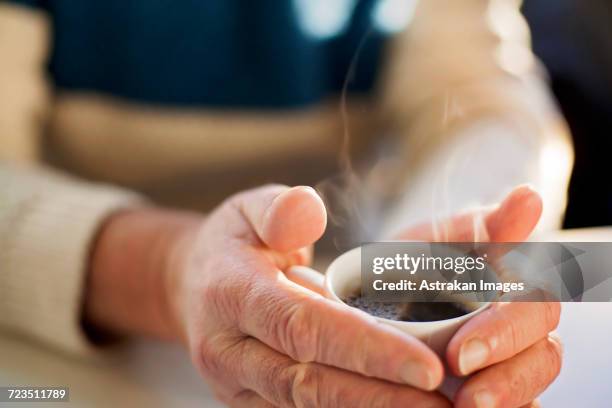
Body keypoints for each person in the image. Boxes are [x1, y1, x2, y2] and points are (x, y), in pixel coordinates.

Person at [0, 1, 569, 407]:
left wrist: (459, 234)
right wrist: (168, 270)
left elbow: (485, 104)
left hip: (336, 312)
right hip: (62, 346)